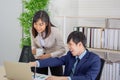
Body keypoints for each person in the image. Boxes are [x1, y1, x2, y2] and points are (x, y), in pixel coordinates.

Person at [29, 31, 101, 80]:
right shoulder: (70, 55)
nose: (69, 47)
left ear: (80, 44)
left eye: (70, 44)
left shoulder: (94, 59)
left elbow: (88, 78)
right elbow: (56, 60)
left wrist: (64, 78)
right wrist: (36, 63)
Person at [30, 10, 66, 76]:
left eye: (41, 24)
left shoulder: (55, 31)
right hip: (41, 58)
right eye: (35, 24)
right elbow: (33, 46)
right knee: (40, 77)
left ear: (46, 23)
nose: (38, 27)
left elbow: (63, 50)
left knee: (57, 77)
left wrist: (49, 55)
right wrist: (34, 50)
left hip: (55, 58)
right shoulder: (33, 30)